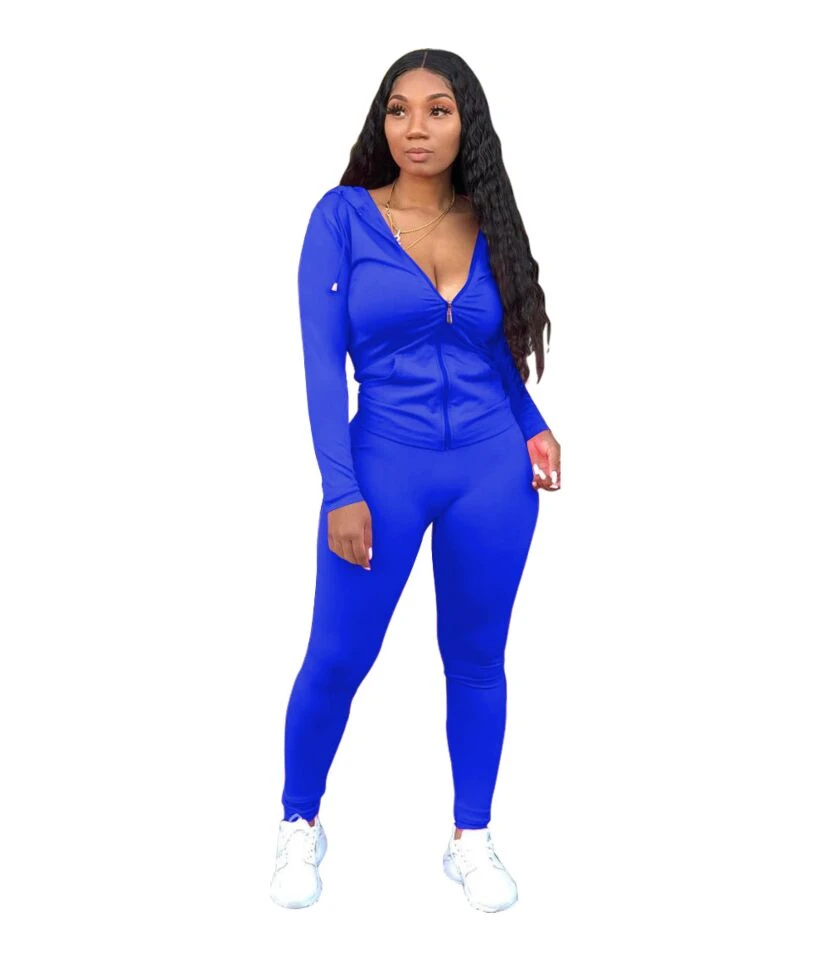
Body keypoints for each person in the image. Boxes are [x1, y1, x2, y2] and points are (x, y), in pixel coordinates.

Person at [270, 48, 561, 913]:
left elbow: (493, 352)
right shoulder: (342, 218)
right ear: (382, 121)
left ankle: (471, 837)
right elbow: (321, 365)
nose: (416, 128)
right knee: (337, 658)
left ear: (467, 123)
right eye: (399, 110)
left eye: (438, 110)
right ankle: (298, 821)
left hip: (492, 471)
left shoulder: (486, 219)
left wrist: (532, 422)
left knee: (476, 660)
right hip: (383, 467)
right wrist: (340, 489)